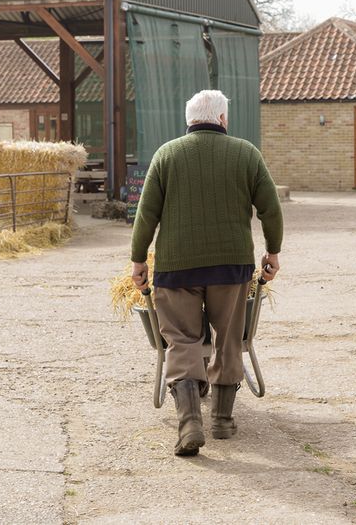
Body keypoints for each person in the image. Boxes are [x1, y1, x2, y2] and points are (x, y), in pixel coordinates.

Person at [131, 89, 283, 457]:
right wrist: (272, 252)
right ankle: (222, 420)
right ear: (222, 119)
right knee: (229, 337)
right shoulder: (246, 153)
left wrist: (138, 261)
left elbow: (146, 214)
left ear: (189, 120)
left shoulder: (167, 155)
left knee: (181, 340)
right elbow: (270, 209)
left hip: (176, 268)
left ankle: (189, 423)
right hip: (231, 267)